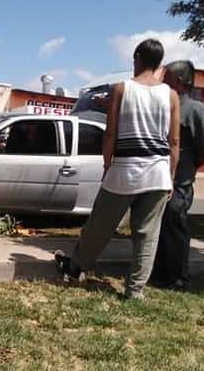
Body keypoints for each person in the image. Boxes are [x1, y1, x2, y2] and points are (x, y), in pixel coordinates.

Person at [54, 39, 181, 300]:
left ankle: (76, 267)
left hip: (124, 170)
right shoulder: (170, 95)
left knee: (100, 225)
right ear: (159, 63)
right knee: (147, 235)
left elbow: (110, 132)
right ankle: (135, 290)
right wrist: (171, 176)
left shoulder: (120, 89)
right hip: (158, 172)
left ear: (137, 58)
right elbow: (175, 141)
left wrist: (107, 165)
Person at [151, 61, 204, 289]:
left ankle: (177, 278)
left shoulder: (195, 110)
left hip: (179, 183)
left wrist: (189, 167)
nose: (161, 83)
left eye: (165, 79)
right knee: (161, 229)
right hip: (159, 179)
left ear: (178, 82)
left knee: (175, 230)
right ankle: (161, 273)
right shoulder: (164, 106)